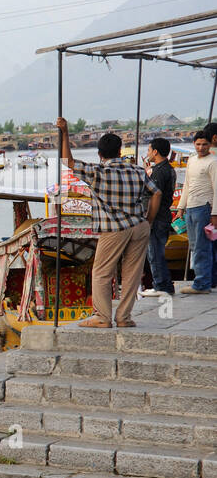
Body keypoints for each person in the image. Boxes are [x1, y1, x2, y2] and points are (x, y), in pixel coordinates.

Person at [57, 116, 160, 324]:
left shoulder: (98, 172)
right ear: (120, 151)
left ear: (99, 154)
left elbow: (67, 162)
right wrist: (148, 220)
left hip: (114, 229)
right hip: (139, 226)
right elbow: (156, 194)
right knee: (131, 275)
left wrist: (65, 133)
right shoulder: (137, 170)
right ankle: (124, 317)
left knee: (102, 273)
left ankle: (103, 317)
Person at [177, 129, 217, 294]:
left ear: (210, 145)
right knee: (194, 245)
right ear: (194, 144)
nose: (201, 147)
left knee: (202, 246)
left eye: (204, 144)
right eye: (198, 144)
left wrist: (215, 213)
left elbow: (216, 188)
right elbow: (187, 185)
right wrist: (180, 207)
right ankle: (202, 280)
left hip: (204, 207)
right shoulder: (192, 160)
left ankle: (202, 283)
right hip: (191, 207)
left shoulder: (213, 162)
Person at [140, 138, 176, 297]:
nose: (148, 153)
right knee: (158, 251)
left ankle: (160, 285)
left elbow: (155, 195)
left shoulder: (159, 172)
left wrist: (149, 218)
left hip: (157, 216)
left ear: (155, 151)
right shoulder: (168, 169)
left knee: (154, 252)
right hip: (163, 215)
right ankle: (165, 284)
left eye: (149, 150)